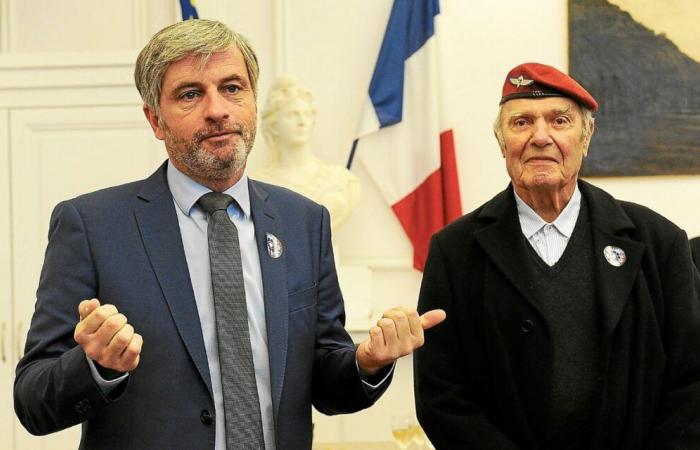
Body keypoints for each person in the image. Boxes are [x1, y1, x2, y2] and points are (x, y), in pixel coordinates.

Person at [13, 19, 445, 450]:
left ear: (253, 103)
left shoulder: (304, 221)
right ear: (155, 120)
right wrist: (96, 366)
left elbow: (326, 381)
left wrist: (366, 364)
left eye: (233, 88)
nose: (218, 109)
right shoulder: (92, 226)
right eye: (190, 94)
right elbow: (32, 401)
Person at [414, 62, 700, 449]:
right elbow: (441, 395)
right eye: (521, 123)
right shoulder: (454, 249)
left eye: (560, 120)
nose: (540, 137)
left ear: (586, 136)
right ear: (502, 143)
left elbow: (692, 381)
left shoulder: (658, 242)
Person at [254, 76, 360, 231]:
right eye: (292, 115)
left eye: (307, 114)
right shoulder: (258, 184)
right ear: (275, 126)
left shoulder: (342, 180)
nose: (302, 121)